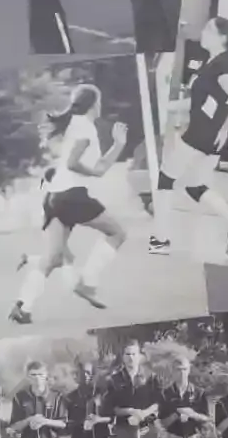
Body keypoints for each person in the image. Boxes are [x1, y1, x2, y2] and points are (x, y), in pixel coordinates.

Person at [11, 85, 144, 324]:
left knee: (53, 258)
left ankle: (23, 307)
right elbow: (74, 164)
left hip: (54, 198)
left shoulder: (76, 125)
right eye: (99, 102)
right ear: (95, 103)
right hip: (72, 195)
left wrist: (118, 144)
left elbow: (100, 168)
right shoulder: (85, 127)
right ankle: (87, 284)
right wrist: (91, 172)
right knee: (118, 233)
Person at [150, 17, 228, 258]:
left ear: (222, 38)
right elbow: (196, 102)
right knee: (195, 186)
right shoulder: (212, 64)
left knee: (166, 178)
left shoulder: (222, 65)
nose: (203, 32)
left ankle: (160, 239)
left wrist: (225, 128)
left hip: (203, 133)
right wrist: (168, 107)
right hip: (208, 135)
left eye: (209, 29)